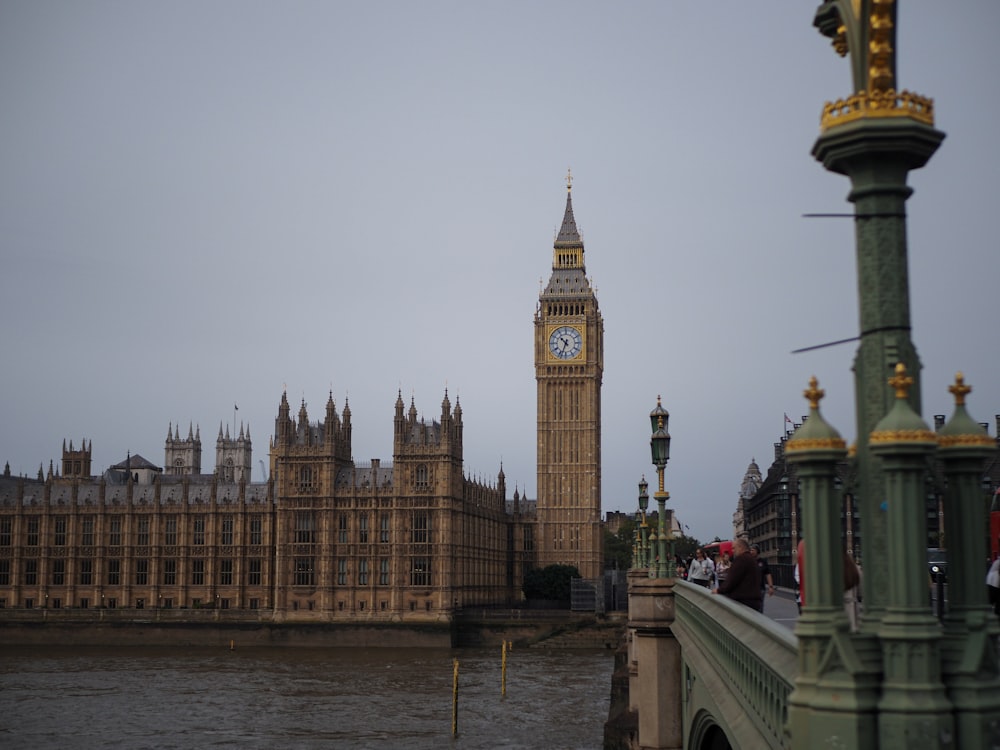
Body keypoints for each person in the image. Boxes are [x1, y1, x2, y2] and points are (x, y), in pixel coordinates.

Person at [712, 538, 761, 611]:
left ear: (740, 547)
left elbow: (732, 580)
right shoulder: (752, 560)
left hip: (743, 601)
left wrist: (719, 590)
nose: (732, 551)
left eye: (734, 548)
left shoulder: (741, 559)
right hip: (754, 600)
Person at [750, 544, 775, 611]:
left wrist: (771, 587)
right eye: (750, 550)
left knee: (760, 608)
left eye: (753, 550)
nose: (751, 552)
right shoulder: (748, 561)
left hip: (760, 588)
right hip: (750, 589)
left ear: (757, 551)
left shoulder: (763, 561)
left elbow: (768, 574)